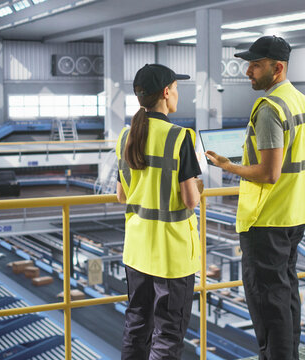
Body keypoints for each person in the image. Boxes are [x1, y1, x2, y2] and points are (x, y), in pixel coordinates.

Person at [206, 35, 305, 360]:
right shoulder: (304, 103)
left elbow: (269, 173)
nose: (248, 72)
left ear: (277, 67)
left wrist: (229, 166)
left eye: (256, 65)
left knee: (268, 304)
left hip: (267, 219)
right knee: (285, 296)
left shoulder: (271, 109)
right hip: (295, 214)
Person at [116, 64, 203, 360]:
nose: (178, 94)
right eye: (176, 88)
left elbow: (121, 195)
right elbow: (190, 201)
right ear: (166, 93)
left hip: (138, 250)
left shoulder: (126, 136)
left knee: (136, 325)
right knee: (168, 333)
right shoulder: (180, 137)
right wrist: (198, 187)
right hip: (172, 255)